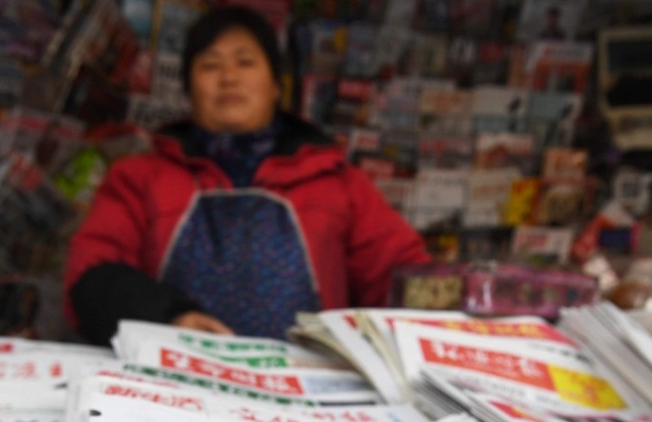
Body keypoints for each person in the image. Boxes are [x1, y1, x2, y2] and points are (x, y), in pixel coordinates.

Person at [63, 6, 430, 345]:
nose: (228, 77)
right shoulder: (139, 178)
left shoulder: (341, 184)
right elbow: (92, 275)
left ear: (275, 86)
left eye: (245, 62)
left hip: (310, 396)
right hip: (173, 387)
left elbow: (402, 279)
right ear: (189, 89)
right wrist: (169, 318)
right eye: (210, 65)